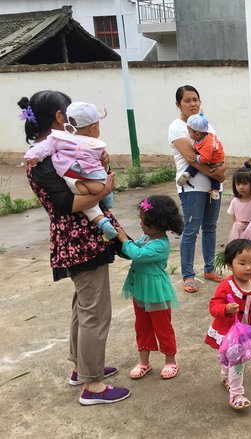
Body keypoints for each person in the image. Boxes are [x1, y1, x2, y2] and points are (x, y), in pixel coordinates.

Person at [19, 91, 130, 405]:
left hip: (77, 238)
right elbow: (68, 203)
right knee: (95, 312)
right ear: (58, 117)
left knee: (83, 306)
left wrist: (99, 162)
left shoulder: (57, 151)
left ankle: (80, 368)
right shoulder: (45, 160)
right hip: (79, 240)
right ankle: (92, 385)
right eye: (67, 114)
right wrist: (105, 187)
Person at [24, 101, 117, 239]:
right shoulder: (43, 162)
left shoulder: (62, 141)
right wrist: (104, 191)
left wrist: (104, 163)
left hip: (88, 230)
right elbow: (68, 204)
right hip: (76, 238)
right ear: (59, 116)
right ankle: (105, 207)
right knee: (98, 187)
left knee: (94, 190)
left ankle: (102, 221)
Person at [115, 196, 183, 381]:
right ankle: (144, 362)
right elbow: (134, 247)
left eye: (143, 221)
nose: (140, 224)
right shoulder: (146, 236)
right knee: (142, 326)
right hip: (140, 290)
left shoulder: (161, 245)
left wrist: (123, 239)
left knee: (163, 328)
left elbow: (137, 254)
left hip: (156, 292)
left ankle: (170, 361)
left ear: (156, 224)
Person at [168, 85, 227, 293]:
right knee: (191, 231)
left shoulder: (207, 126)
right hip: (192, 187)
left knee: (210, 226)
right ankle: (188, 275)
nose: (193, 104)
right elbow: (191, 158)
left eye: (196, 99)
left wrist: (222, 171)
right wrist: (216, 173)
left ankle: (209, 269)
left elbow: (219, 152)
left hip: (213, 187)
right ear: (178, 104)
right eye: (187, 100)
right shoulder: (177, 127)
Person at [204, 239, 251, 410]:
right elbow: (213, 306)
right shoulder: (226, 286)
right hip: (227, 331)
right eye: (242, 263)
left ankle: (226, 377)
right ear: (229, 265)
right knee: (237, 362)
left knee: (235, 360)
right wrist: (225, 308)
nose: (248, 268)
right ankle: (236, 394)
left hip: (243, 332)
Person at [177, 113, 226, 202]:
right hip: (208, 156)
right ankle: (187, 174)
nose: (188, 133)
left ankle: (215, 190)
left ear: (197, 134)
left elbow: (205, 159)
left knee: (214, 175)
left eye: (189, 131)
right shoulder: (202, 137)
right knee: (195, 165)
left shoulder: (208, 144)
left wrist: (196, 157)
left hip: (214, 162)